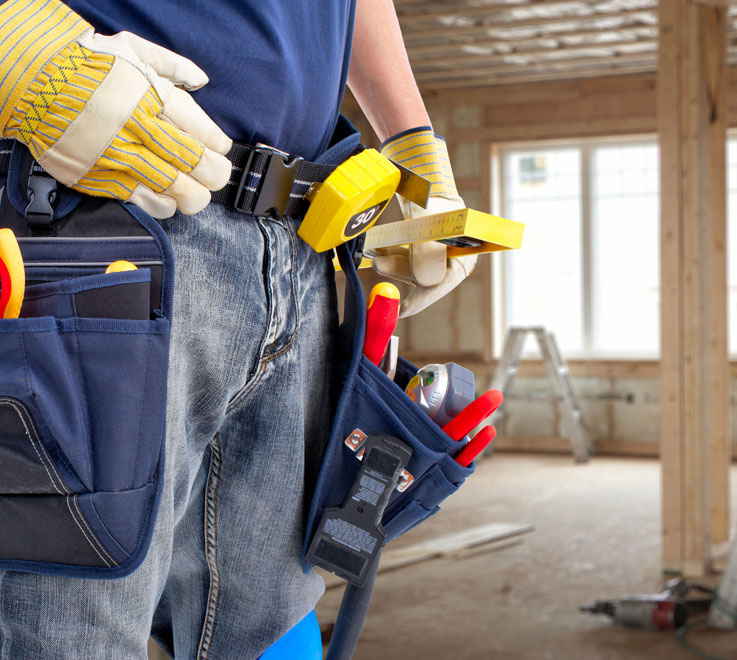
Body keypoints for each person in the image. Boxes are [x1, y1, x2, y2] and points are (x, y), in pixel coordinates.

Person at [0, 1, 474, 657]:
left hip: (303, 235)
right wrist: (9, 37)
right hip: (103, 211)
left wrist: (411, 140)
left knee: (275, 629)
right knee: (68, 626)